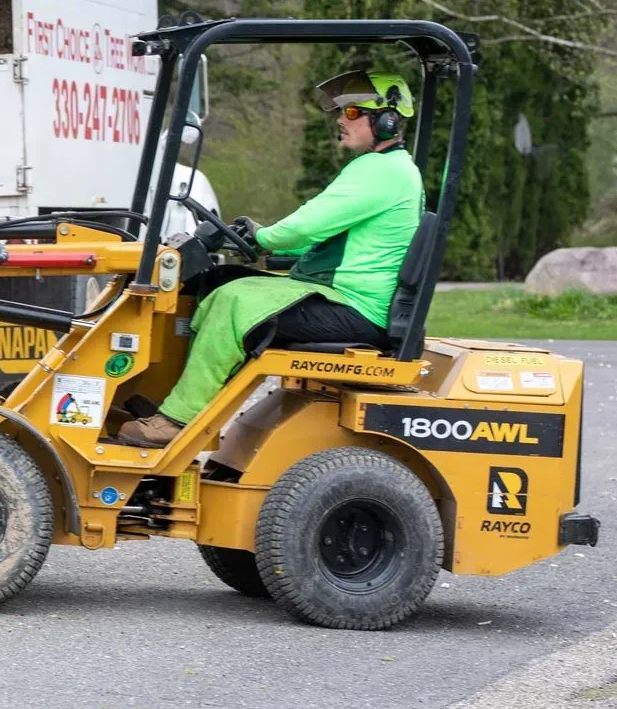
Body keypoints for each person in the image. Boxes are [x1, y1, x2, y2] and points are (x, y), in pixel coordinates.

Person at [117, 71, 423, 448]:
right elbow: (330, 240)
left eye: (354, 112)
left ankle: (177, 421)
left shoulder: (380, 172)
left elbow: (305, 227)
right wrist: (263, 241)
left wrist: (265, 237)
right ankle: (180, 399)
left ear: (387, 120)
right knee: (220, 281)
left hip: (355, 307)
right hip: (342, 295)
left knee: (234, 301)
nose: (342, 119)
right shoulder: (390, 171)